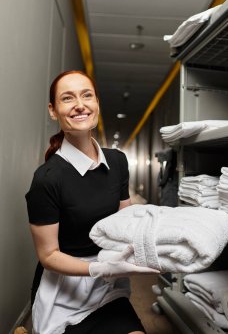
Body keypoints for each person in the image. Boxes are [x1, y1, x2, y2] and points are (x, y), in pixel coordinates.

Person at [25, 70, 159, 334]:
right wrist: (100, 268)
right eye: (67, 98)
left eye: (87, 95)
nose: (80, 105)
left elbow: (125, 220)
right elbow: (48, 255)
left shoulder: (118, 161)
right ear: (53, 111)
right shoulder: (47, 179)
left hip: (108, 289)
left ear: (97, 103)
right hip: (63, 293)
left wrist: (151, 247)